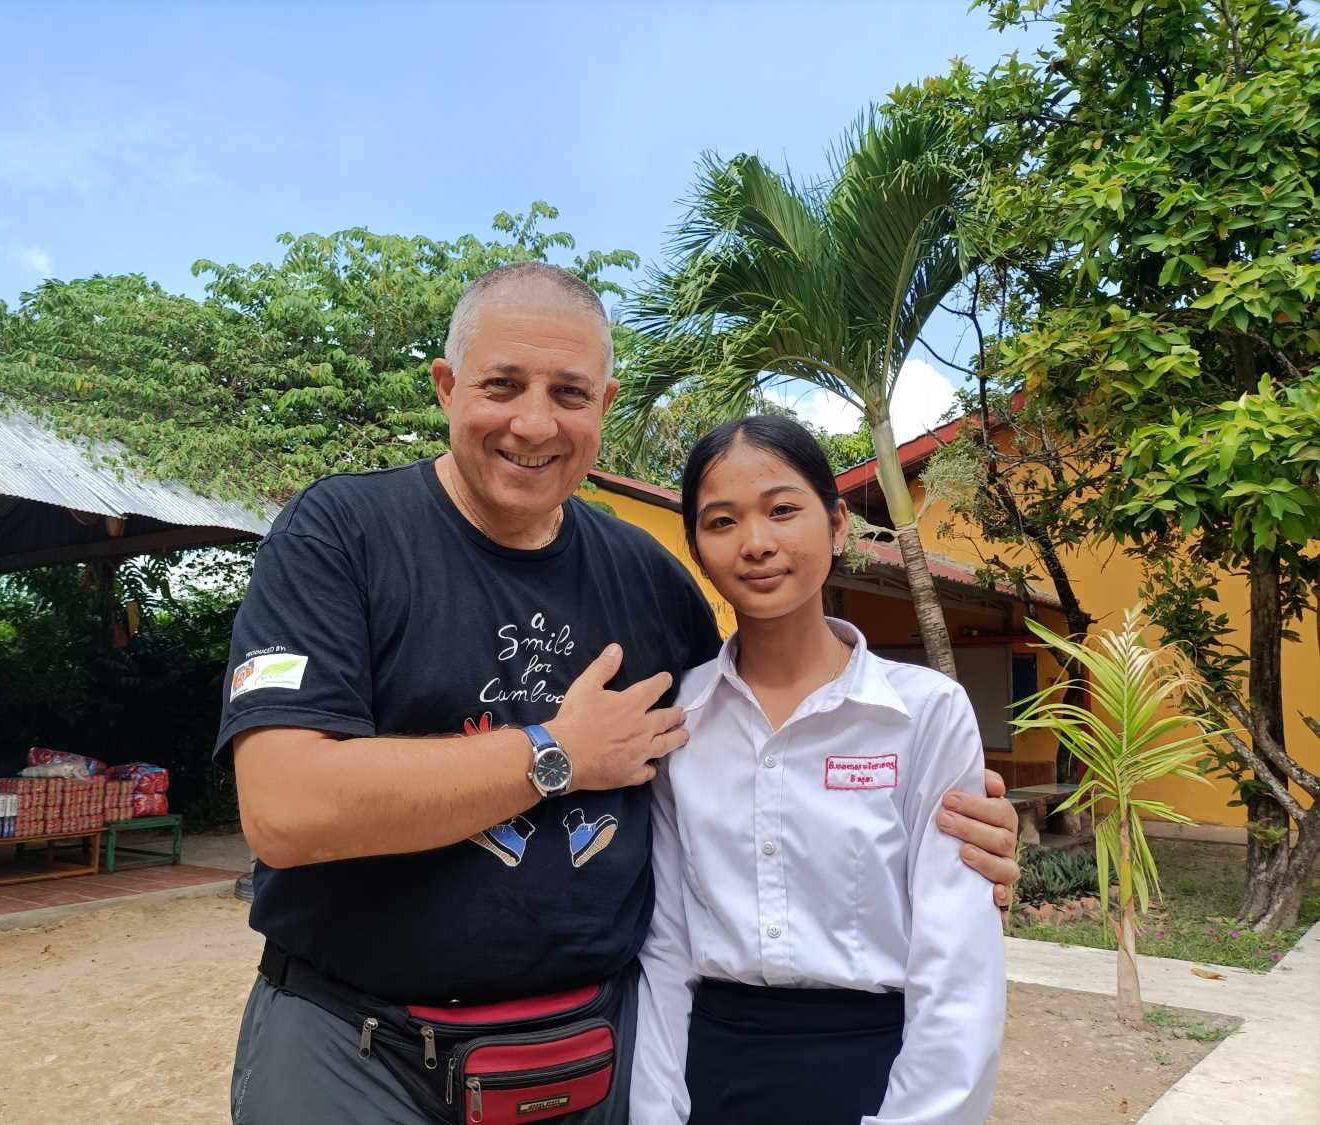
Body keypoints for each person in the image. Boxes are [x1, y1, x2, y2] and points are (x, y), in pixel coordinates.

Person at [217, 263, 1021, 1124]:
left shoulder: (650, 582)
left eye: (569, 392)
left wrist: (946, 834)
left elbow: (751, 758)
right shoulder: (341, 535)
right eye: (502, 385)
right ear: (447, 387)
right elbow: (284, 809)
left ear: (604, 403)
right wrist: (556, 754)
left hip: (594, 1056)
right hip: (357, 1049)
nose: (534, 422)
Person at [631, 417, 1005, 1124]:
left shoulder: (924, 713)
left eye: (782, 509)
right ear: (697, 549)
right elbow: (666, 943)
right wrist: (658, 1112)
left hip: (876, 1071)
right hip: (713, 1071)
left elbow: (957, 959)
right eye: (722, 521)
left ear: (837, 524)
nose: (756, 542)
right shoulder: (678, 718)